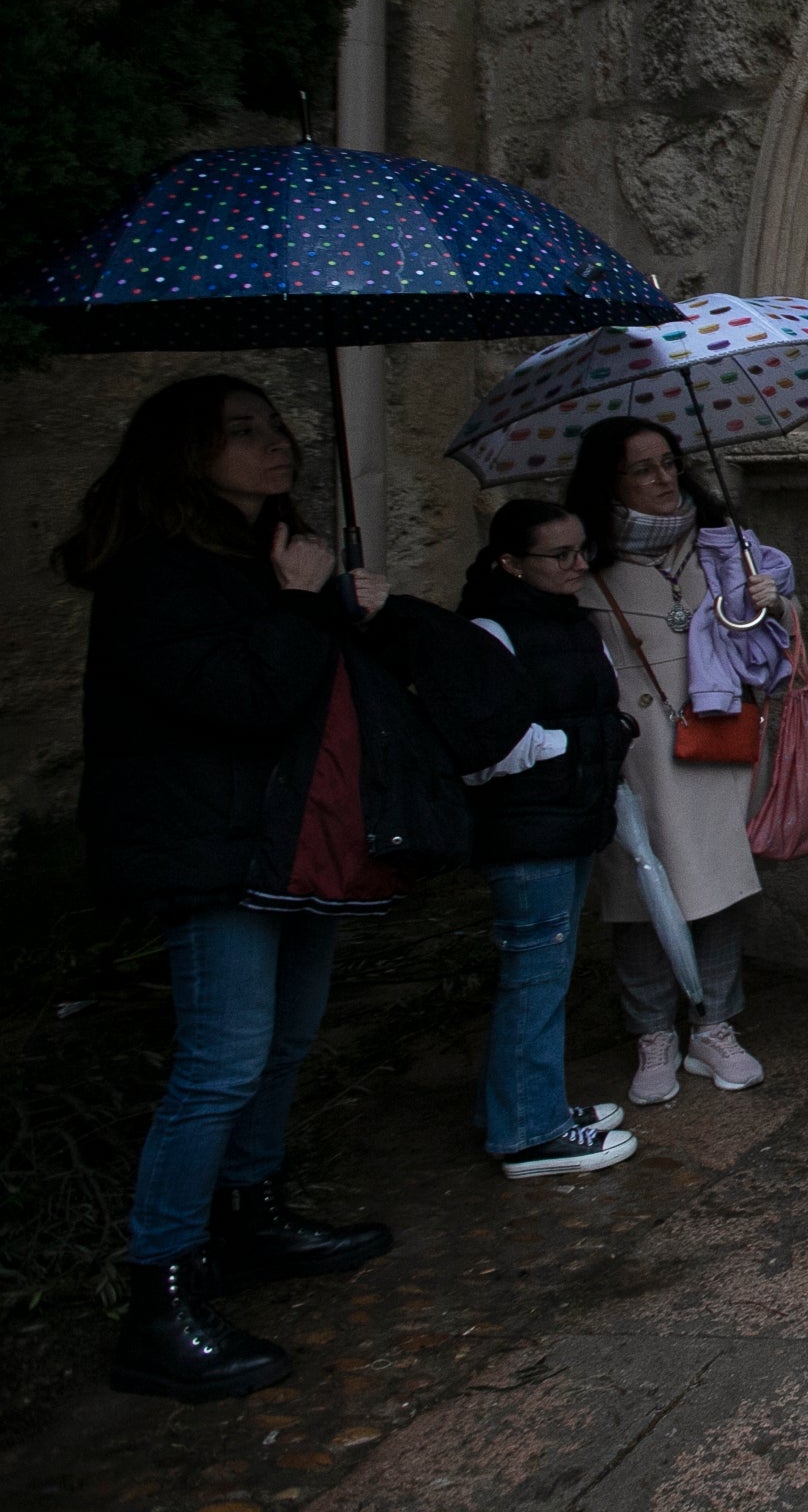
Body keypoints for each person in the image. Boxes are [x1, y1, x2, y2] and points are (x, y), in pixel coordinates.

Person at [59, 377, 491, 1400]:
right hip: (216, 850)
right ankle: (161, 1294)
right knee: (219, 1061)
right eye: (242, 431)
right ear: (186, 452)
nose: (275, 443)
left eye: (276, 424)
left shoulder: (270, 556)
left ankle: (252, 1213)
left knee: (285, 1041)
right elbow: (246, 698)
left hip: (294, 842)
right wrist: (301, 603)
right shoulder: (159, 572)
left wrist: (347, 606)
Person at [563, 418, 792, 1107]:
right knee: (641, 889)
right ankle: (652, 1032)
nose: (664, 479)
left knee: (719, 882)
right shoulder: (583, 559)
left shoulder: (723, 543)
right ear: (609, 481)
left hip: (716, 736)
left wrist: (773, 601)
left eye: (669, 462)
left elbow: (772, 637)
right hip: (637, 748)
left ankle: (714, 1025)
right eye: (643, 469)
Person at [456, 501, 643, 1179]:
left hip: (570, 817)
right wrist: (585, 741)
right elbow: (485, 749)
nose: (578, 565)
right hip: (525, 828)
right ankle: (530, 1135)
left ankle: (519, 1107)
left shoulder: (570, 620)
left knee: (546, 972)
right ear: (511, 563)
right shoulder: (487, 630)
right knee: (534, 976)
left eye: (580, 549)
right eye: (559, 555)